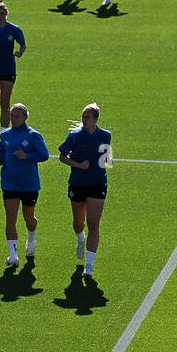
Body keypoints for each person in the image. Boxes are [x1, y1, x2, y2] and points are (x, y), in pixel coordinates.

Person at [58, 102, 111, 278]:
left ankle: (89, 265)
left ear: (95, 119)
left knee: (94, 223)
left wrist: (108, 160)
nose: (84, 120)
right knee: (78, 223)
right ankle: (81, 238)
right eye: (83, 117)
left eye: (87, 117)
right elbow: (62, 156)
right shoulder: (74, 136)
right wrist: (78, 165)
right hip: (78, 183)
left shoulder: (105, 135)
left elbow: (105, 156)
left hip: (97, 183)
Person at [0, 103, 49, 266]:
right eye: (12, 115)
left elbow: (44, 155)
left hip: (29, 184)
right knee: (10, 219)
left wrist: (27, 155)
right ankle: (13, 255)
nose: (14, 118)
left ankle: (31, 236)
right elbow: (1, 153)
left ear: (25, 117)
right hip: (9, 182)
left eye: (17, 116)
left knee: (28, 218)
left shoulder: (33, 135)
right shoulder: (5, 135)